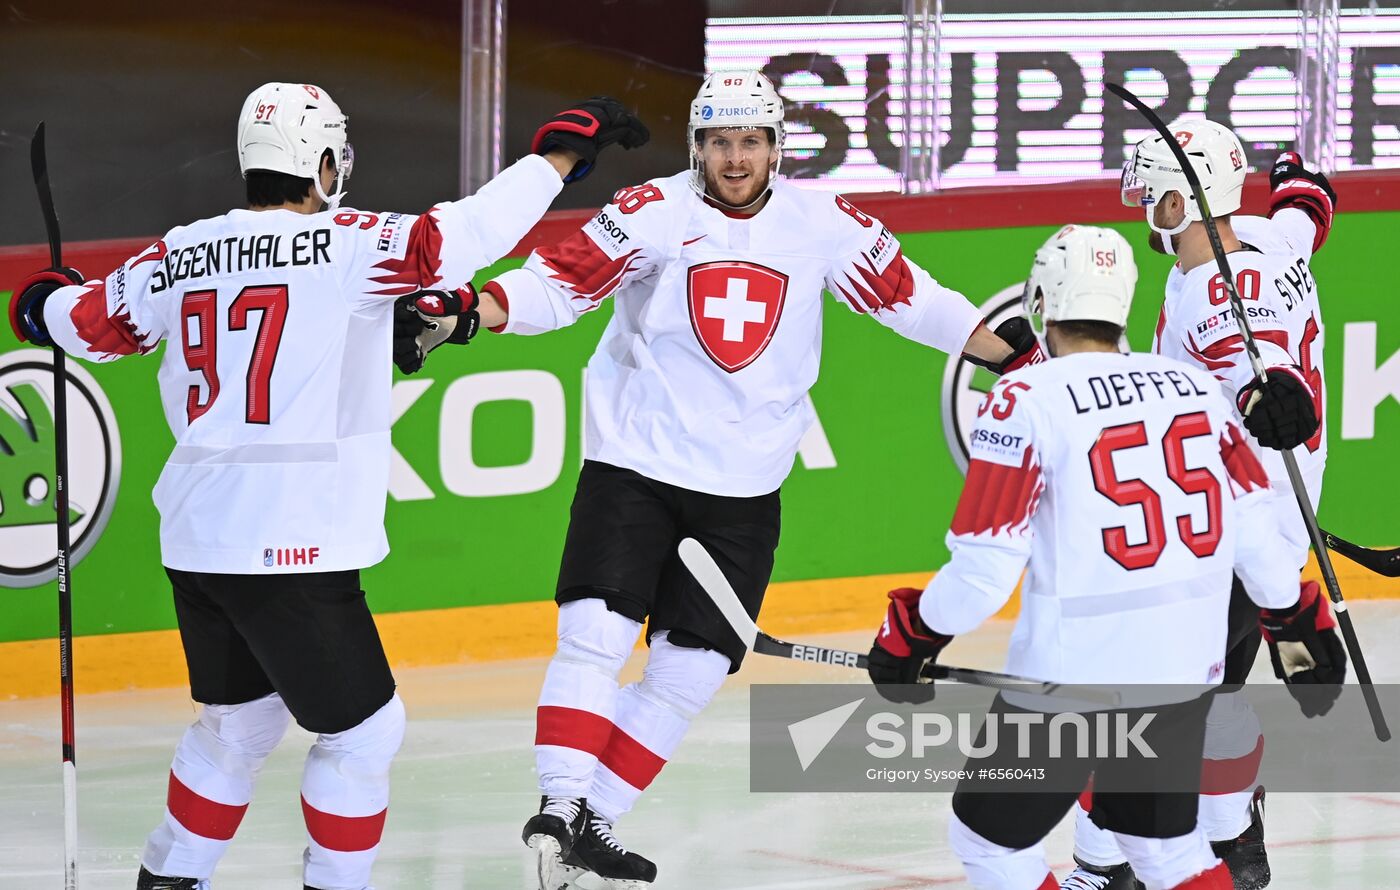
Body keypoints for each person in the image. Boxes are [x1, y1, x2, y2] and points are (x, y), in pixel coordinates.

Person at [395, 69, 1039, 888]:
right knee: (594, 632)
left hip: (743, 489)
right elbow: (560, 281)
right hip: (636, 466)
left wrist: (1011, 353)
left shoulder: (822, 224)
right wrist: (469, 311)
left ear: (777, 147)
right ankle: (558, 804)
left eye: (752, 142)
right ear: (698, 146)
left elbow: (911, 298)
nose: (736, 159)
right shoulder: (653, 211)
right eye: (720, 142)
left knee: (691, 671)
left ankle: (594, 820)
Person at [8, 82, 646, 890]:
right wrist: (557, 157)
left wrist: (43, 301)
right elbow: (468, 233)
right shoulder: (349, 244)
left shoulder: (178, 252)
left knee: (238, 725)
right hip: (291, 539)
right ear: (318, 163)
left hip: (200, 539)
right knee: (365, 735)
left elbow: (88, 325)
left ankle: (170, 877)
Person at [865, 223, 1344, 890]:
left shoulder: (1023, 401)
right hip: (1180, 674)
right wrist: (1296, 621)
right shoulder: (1196, 391)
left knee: (988, 843)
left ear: (1042, 303)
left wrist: (912, 632)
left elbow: (983, 574)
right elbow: (1258, 533)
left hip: (1070, 681)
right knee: (1168, 854)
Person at [1056, 123, 1346, 890]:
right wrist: (1298, 181)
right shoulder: (1268, 239)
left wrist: (1270, 393)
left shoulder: (1222, 291)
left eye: (1152, 193)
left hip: (1227, 535)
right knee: (1206, 694)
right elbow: (1307, 211)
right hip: (1254, 522)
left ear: (1180, 201)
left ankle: (1110, 866)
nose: (1143, 204)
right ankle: (1232, 841)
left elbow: (1260, 361)